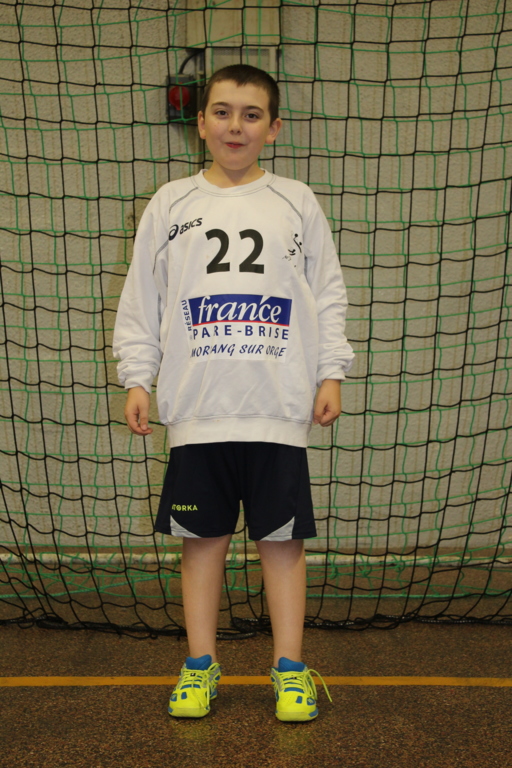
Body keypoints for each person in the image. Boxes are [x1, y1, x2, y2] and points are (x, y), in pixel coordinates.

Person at [113, 64, 354, 722]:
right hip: (199, 407)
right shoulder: (170, 203)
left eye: (251, 115)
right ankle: (199, 666)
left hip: (278, 404)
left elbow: (327, 294)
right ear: (201, 123)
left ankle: (290, 670)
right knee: (202, 543)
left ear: (273, 128)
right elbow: (142, 299)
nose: (235, 126)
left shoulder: (296, 201)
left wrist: (331, 371)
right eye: (222, 112)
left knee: (282, 544)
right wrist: (137, 376)